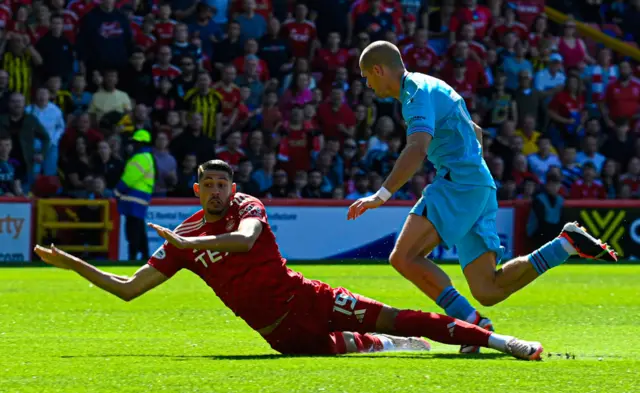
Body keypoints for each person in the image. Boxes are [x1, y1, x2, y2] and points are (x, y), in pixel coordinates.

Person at [34, 159, 543, 360]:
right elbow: (128, 288)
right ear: (196, 189)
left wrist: (192, 249)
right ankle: (392, 344)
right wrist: (74, 265)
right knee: (353, 347)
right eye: (207, 184)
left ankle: (502, 341)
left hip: (308, 297)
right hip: (279, 335)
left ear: (231, 187)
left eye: (222, 183)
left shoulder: (244, 207)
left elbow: (246, 238)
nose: (216, 190)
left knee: (400, 313)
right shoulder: (184, 234)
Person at [348, 41, 617, 353]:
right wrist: (470, 168)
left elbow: (417, 148)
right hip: (478, 184)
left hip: (458, 184)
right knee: (488, 288)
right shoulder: (432, 85)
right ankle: (565, 245)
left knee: (403, 257)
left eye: (367, 76)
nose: (367, 83)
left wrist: (380, 195)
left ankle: (471, 323)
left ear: (379, 70)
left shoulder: (415, 94)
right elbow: (473, 129)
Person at [115, 129, 156, 260]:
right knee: (139, 228)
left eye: (136, 142)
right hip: (141, 198)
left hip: (133, 198)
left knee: (132, 229)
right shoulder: (148, 157)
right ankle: (144, 255)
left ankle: (133, 256)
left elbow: (130, 178)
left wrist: (117, 191)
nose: (133, 145)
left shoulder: (140, 157)